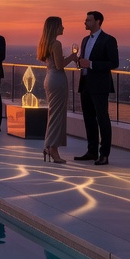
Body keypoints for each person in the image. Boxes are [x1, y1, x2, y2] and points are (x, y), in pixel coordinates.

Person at [75, 11, 119, 166]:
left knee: (102, 119)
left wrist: (92, 64)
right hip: (86, 83)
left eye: (88, 20)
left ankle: (104, 154)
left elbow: (114, 63)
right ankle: (91, 151)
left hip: (100, 86)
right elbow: (84, 62)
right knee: (88, 119)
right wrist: (80, 62)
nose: (85, 22)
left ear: (98, 21)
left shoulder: (108, 40)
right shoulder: (85, 40)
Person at [37, 16, 75, 163]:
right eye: (61, 25)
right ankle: (52, 148)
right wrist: (72, 57)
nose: (63, 28)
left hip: (49, 78)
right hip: (58, 80)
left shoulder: (45, 43)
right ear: (55, 28)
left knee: (53, 114)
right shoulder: (56, 44)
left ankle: (50, 146)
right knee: (57, 116)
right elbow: (60, 65)